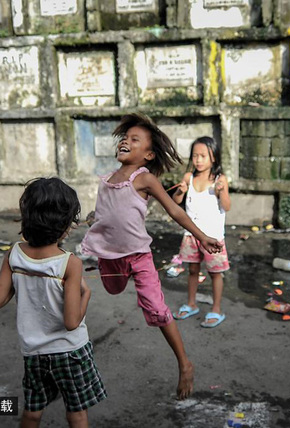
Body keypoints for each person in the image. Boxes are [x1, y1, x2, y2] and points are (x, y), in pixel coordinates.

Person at [80, 113, 222, 400]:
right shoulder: (106, 180)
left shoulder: (144, 178)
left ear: (147, 154)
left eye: (134, 139)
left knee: (157, 310)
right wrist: (94, 217)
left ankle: (184, 363)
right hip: (110, 257)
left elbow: (175, 210)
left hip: (138, 257)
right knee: (113, 288)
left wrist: (202, 235)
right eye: (124, 137)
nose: (125, 141)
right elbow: (106, 212)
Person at [0, 177, 106, 427]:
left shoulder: (14, 254)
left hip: (34, 352)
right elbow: (72, 322)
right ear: (66, 225)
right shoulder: (70, 263)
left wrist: (20, 279)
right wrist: (86, 294)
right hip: (70, 351)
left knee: (33, 411)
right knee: (76, 412)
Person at [171, 136, 231, 328]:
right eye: (195, 156)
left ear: (214, 157)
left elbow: (227, 206)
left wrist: (222, 192)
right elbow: (176, 201)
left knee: (215, 273)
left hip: (212, 237)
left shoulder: (220, 180)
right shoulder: (189, 178)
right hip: (191, 235)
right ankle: (191, 303)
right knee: (193, 270)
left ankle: (216, 309)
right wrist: (181, 190)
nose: (198, 160)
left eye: (203, 156)